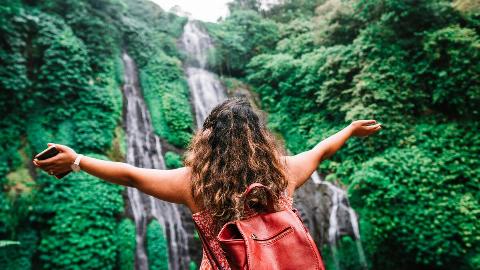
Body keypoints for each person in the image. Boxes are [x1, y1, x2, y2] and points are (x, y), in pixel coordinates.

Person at [33, 97, 381, 269]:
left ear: (208, 139)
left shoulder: (194, 184)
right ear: (259, 138)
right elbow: (321, 149)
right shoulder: (283, 172)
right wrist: (349, 129)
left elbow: (130, 174)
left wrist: (76, 160)